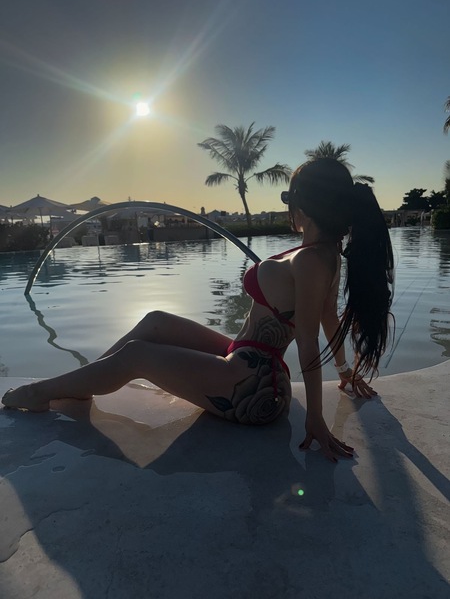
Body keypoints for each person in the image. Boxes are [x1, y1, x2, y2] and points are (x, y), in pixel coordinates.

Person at [2, 158, 394, 462]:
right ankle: (81, 385)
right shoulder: (323, 254)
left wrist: (316, 418)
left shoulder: (312, 259)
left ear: (303, 205)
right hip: (248, 363)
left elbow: (308, 339)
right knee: (155, 321)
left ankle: (41, 393)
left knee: (138, 355)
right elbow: (329, 318)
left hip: (255, 389)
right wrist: (346, 372)